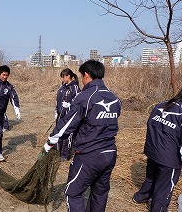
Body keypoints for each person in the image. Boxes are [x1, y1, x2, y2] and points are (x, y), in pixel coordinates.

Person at [44, 60, 121, 211]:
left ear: (86, 75)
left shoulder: (86, 96)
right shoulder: (114, 98)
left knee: (72, 193)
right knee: (100, 193)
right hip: (110, 153)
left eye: (82, 76)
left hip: (90, 155)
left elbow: (67, 124)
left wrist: (51, 141)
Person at [133, 89, 182, 211]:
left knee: (151, 176)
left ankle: (141, 196)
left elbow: (150, 125)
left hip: (153, 151)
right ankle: (158, 208)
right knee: (164, 188)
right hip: (169, 159)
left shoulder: (162, 105)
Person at [54, 68, 81, 161]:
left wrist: (69, 106)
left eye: (63, 77)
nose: (61, 79)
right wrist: (56, 110)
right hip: (60, 115)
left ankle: (66, 154)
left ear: (68, 76)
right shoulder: (62, 87)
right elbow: (58, 100)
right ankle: (57, 151)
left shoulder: (75, 88)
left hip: (69, 116)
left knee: (68, 135)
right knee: (58, 133)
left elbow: (79, 102)